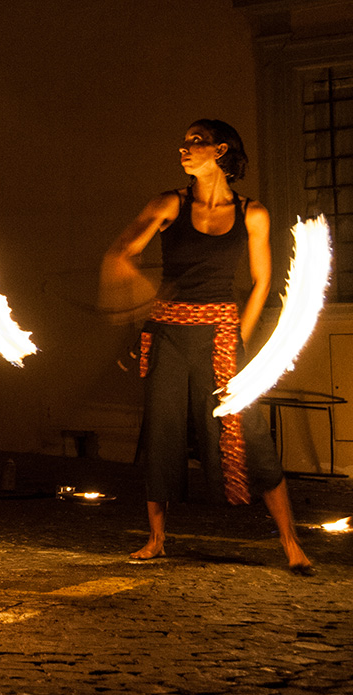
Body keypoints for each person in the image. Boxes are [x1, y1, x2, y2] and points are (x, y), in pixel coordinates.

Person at [99, 119, 313, 574]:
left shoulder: (253, 213)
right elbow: (123, 251)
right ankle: (156, 539)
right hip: (168, 337)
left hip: (219, 336)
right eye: (184, 141)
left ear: (220, 151)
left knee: (250, 433)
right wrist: (133, 286)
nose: (184, 148)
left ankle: (291, 543)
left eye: (196, 141)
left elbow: (261, 282)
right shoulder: (168, 204)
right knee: (162, 431)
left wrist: (241, 339)